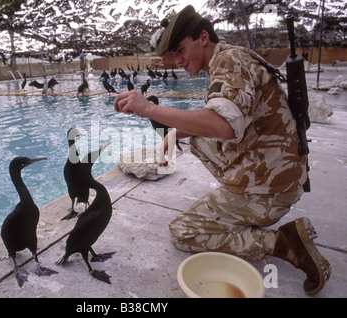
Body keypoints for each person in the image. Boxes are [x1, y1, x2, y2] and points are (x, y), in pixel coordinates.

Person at [114, 5, 331, 295]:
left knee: (183, 231)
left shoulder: (229, 62)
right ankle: (235, 201)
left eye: (180, 50)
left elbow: (223, 126)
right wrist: (173, 135)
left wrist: (149, 108)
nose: (178, 61)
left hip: (271, 189)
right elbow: (222, 119)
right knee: (194, 137)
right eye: (173, 55)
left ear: (203, 37)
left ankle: (281, 242)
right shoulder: (229, 57)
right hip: (280, 173)